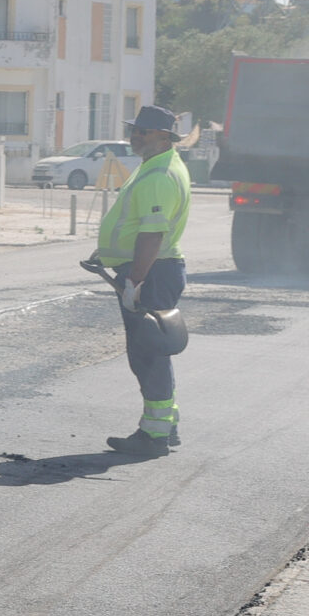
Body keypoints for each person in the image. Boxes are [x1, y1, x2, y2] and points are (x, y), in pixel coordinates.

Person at [95, 104, 192, 458]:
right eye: (135, 130)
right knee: (153, 352)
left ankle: (153, 437)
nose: (135, 136)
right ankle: (167, 426)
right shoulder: (156, 167)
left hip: (151, 272)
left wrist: (134, 282)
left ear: (164, 137)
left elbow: (151, 236)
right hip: (152, 270)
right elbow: (136, 229)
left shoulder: (159, 176)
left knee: (148, 354)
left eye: (144, 131)